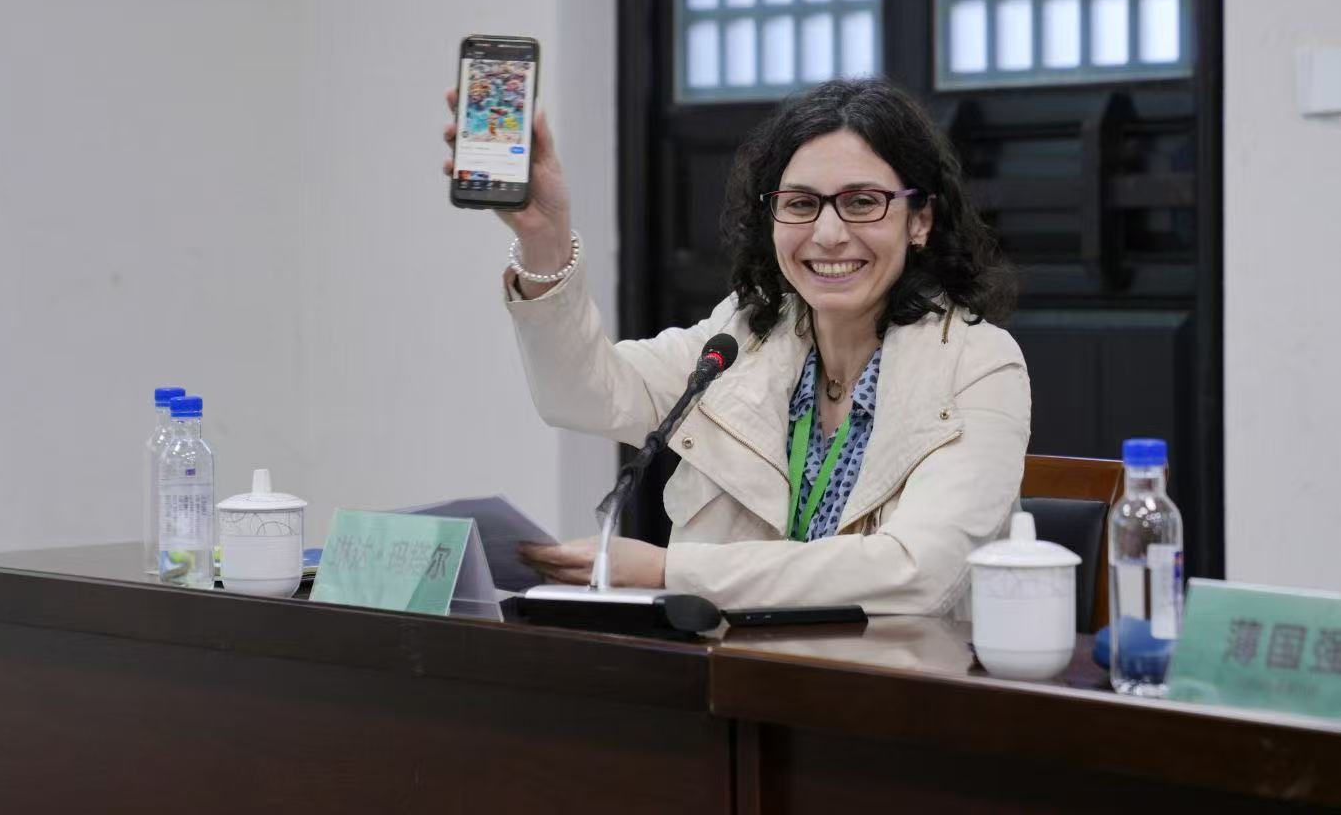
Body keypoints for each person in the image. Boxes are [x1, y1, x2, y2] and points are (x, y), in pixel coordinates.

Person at [441, 77, 1029, 614]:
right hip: (730, 677)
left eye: (861, 203)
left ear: (919, 220)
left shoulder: (980, 365)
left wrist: (669, 572)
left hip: (893, 681)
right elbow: (584, 394)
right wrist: (545, 240)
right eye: (800, 204)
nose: (828, 234)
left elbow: (918, 572)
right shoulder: (745, 335)